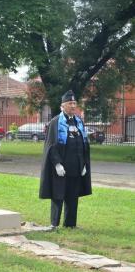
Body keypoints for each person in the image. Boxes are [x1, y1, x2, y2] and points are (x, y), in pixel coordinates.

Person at [39, 90, 92, 228]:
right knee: (58, 195)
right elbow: (51, 146)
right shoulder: (56, 122)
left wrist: (84, 164)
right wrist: (57, 164)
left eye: (75, 103)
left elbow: (83, 144)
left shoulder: (79, 121)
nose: (73, 106)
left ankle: (70, 224)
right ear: (62, 106)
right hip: (61, 167)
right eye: (70, 103)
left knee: (72, 196)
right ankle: (54, 224)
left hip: (76, 166)